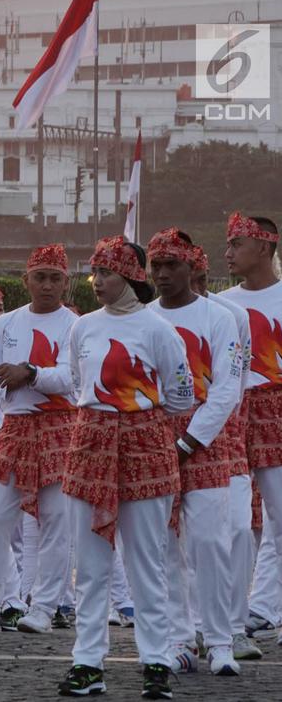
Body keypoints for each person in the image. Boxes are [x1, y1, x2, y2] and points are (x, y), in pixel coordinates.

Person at [57, 235, 192, 699]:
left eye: (106, 273)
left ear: (131, 276)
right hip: (90, 444)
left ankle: (156, 662)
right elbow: (78, 381)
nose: (96, 281)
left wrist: (136, 417)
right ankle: (87, 664)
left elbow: (181, 396)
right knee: (91, 565)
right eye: (95, 272)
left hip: (145, 446)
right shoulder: (82, 327)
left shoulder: (159, 330)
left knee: (146, 563)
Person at [145, 228, 243, 675]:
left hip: (204, 440)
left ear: (193, 267)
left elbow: (226, 390)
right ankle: (179, 640)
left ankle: (220, 641)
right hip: (153, 439)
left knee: (209, 542)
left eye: (173, 265)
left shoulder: (218, 318)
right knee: (163, 546)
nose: (163, 274)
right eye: (157, 266)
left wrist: (187, 442)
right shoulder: (143, 318)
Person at [0, 245, 77, 635]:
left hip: (59, 428)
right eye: (40, 277)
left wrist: (29, 373)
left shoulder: (75, 325)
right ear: (25, 280)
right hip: (14, 428)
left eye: (54, 278)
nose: (47, 285)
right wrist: (21, 379)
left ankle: (45, 607)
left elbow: (71, 378)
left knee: (55, 521)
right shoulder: (4, 324)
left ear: (66, 283)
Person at [192, 244, 266, 658]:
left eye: (199, 277)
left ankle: (234, 627)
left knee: (238, 528)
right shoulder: (152, 317)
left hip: (226, 436)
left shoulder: (230, 316)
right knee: (186, 538)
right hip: (169, 437)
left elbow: (235, 384)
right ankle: (190, 627)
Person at [219, 212, 282, 652]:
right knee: (234, 522)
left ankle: (264, 608)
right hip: (233, 413)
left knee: (280, 519)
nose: (228, 253)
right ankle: (235, 614)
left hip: (277, 411)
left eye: (237, 244)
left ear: (264, 247)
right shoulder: (222, 305)